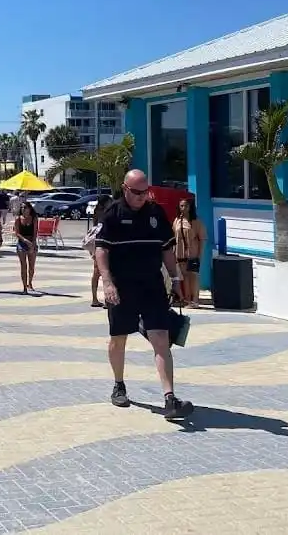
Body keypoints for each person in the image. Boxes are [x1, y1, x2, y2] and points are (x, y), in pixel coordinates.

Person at [94, 169, 192, 419]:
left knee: (161, 338)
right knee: (118, 337)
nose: (142, 197)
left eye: (145, 191)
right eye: (137, 192)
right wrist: (107, 282)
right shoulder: (113, 214)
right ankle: (119, 385)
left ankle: (170, 398)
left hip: (152, 286)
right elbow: (101, 250)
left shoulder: (155, 213)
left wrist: (177, 278)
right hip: (122, 287)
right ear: (125, 189)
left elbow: (167, 250)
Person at [174, 196, 208, 308]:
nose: (183, 208)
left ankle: (195, 300)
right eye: (181, 206)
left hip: (192, 253)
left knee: (193, 276)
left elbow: (202, 239)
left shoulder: (196, 222)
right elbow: (174, 236)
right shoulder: (177, 221)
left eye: (186, 206)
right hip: (180, 253)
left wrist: (200, 254)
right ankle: (187, 300)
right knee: (184, 276)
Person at [84, 194, 114, 307]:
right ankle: (106, 300)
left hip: (97, 244)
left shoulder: (97, 212)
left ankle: (95, 298)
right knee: (105, 272)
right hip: (103, 244)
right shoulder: (106, 213)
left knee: (96, 272)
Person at [14, 201, 39, 293]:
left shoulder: (34, 218)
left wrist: (32, 243)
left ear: (30, 209)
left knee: (31, 266)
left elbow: (35, 232)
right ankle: (24, 287)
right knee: (23, 266)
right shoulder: (18, 219)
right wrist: (25, 240)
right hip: (21, 243)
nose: (23, 209)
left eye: (25, 207)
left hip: (32, 242)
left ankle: (30, 282)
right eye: (22, 208)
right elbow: (16, 233)